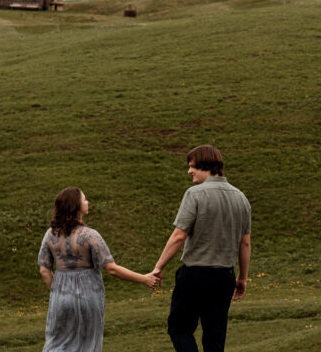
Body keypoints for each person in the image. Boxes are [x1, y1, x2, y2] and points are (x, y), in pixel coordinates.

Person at [150, 145, 252, 352]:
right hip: (224, 277)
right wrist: (242, 277)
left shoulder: (195, 194)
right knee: (215, 336)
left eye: (192, 167)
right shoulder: (241, 197)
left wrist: (159, 266)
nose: (189, 171)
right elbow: (245, 243)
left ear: (205, 165)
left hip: (195, 275)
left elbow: (179, 235)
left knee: (179, 328)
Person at [38, 187, 159, 352]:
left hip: (61, 296)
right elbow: (112, 269)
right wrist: (144, 278)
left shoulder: (50, 235)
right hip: (89, 295)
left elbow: (44, 270)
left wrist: (58, 290)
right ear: (76, 206)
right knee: (87, 345)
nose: (87, 202)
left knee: (57, 343)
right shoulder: (90, 235)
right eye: (84, 199)